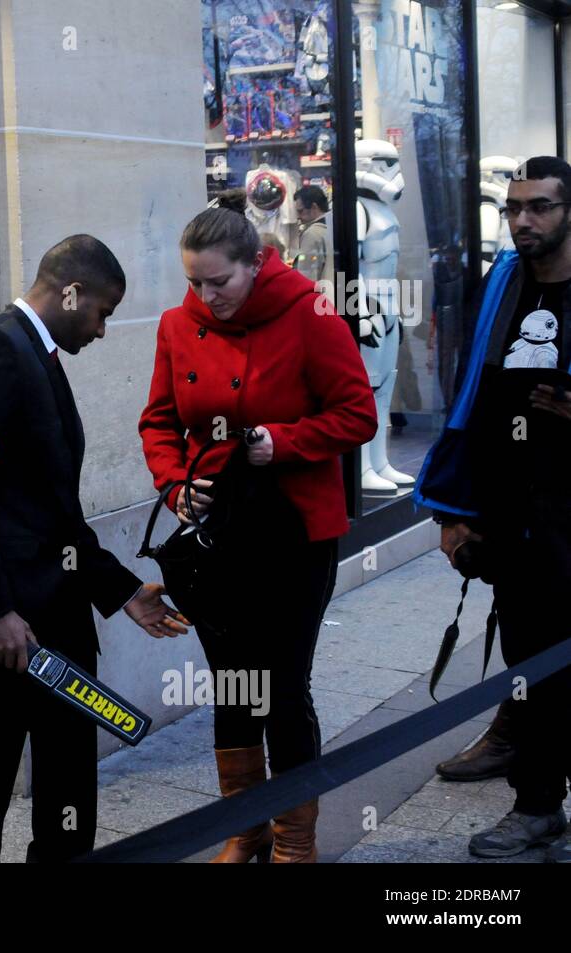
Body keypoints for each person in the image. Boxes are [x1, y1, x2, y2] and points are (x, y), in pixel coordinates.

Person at [0, 234, 187, 863]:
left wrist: (121, 592)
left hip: (54, 616)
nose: (103, 330)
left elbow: (49, 512)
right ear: (71, 291)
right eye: (103, 312)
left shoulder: (38, 354)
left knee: (67, 767)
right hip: (8, 626)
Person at [139, 206, 376, 862]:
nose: (207, 297)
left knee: (283, 683)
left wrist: (288, 442)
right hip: (217, 533)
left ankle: (294, 840)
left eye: (220, 282)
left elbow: (359, 413)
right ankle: (247, 828)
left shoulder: (310, 312)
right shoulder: (176, 325)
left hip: (294, 530)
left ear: (256, 264)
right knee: (234, 682)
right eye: (194, 283)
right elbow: (158, 421)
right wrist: (172, 484)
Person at [416, 155, 571, 862]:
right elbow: (468, 399)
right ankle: (538, 805)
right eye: (515, 208)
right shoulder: (503, 284)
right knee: (531, 666)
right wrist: (456, 511)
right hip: (516, 514)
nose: (523, 221)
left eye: (540, 206)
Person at [293, 184, 334, 284]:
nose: (298, 216)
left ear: (314, 207)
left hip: (320, 295)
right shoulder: (335, 225)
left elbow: (306, 276)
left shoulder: (312, 234)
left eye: (300, 211)